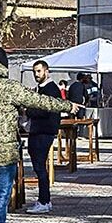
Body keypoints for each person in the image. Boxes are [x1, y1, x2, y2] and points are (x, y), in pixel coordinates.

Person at [0, 48, 79, 223]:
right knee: (1, 196)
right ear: (3, 66)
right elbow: (41, 101)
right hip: (3, 151)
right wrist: (67, 106)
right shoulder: (8, 87)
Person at [25, 60, 64, 214]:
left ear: (46, 71)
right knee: (38, 165)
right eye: (34, 71)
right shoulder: (42, 88)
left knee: (40, 166)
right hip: (39, 131)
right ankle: (44, 199)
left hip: (43, 131)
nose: (36, 74)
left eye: (39, 71)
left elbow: (44, 110)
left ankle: (44, 200)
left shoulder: (50, 89)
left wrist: (28, 111)